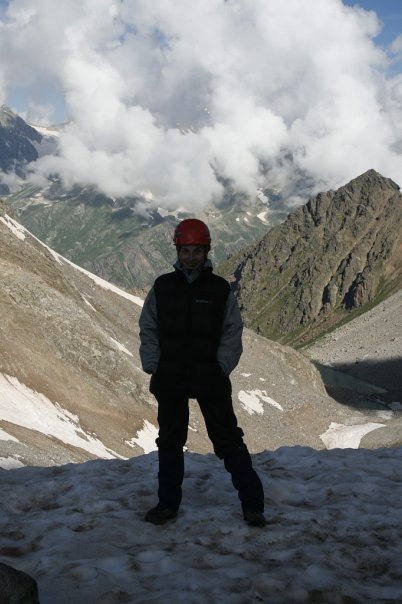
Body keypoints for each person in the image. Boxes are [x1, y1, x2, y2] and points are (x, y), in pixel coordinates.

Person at [139, 218, 266, 527]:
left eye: (197, 251)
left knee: (228, 440)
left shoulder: (219, 289)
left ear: (206, 252)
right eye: (186, 251)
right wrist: (153, 363)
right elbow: (149, 326)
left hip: (209, 378)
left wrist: (221, 367)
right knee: (170, 442)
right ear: (177, 251)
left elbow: (232, 332)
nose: (191, 257)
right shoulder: (163, 287)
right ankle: (167, 505)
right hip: (171, 377)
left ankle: (253, 506)